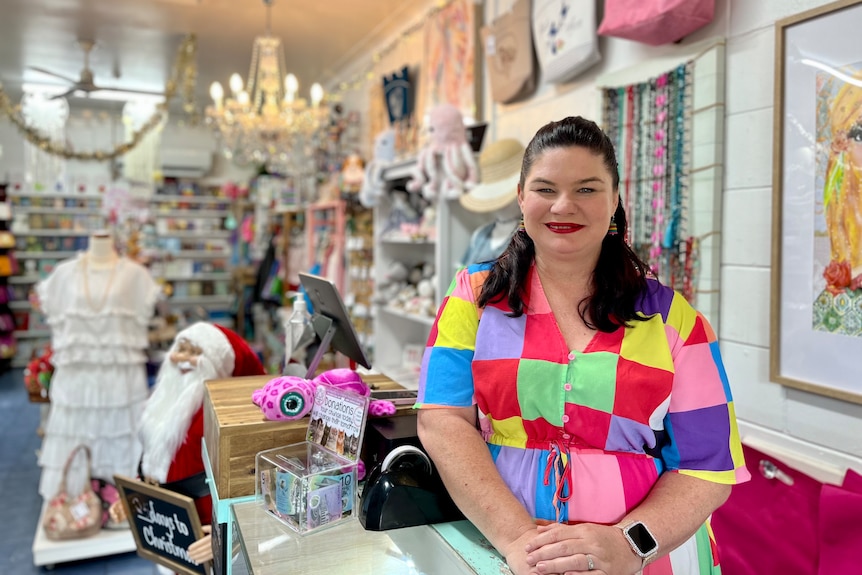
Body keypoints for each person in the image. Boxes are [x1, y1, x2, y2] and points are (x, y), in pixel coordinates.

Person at [416, 116, 750, 575]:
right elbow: (442, 420)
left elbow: (708, 465)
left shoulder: (672, 319)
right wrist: (517, 538)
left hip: (648, 561)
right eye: (545, 189)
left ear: (614, 201)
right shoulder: (473, 298)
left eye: (588, 189)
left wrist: (631, 546)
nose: (563, 206)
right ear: (521, 197)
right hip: (500, 551)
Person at [111, 322, 265, 569]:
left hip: (204, 531)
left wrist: (226, 532)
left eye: (195, 353)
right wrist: (135, 496)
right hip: (167, 529)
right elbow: (156, 458)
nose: (183, 359)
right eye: (180, 349)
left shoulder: (220, 414)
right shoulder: (164, 400)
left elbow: (248, 479)